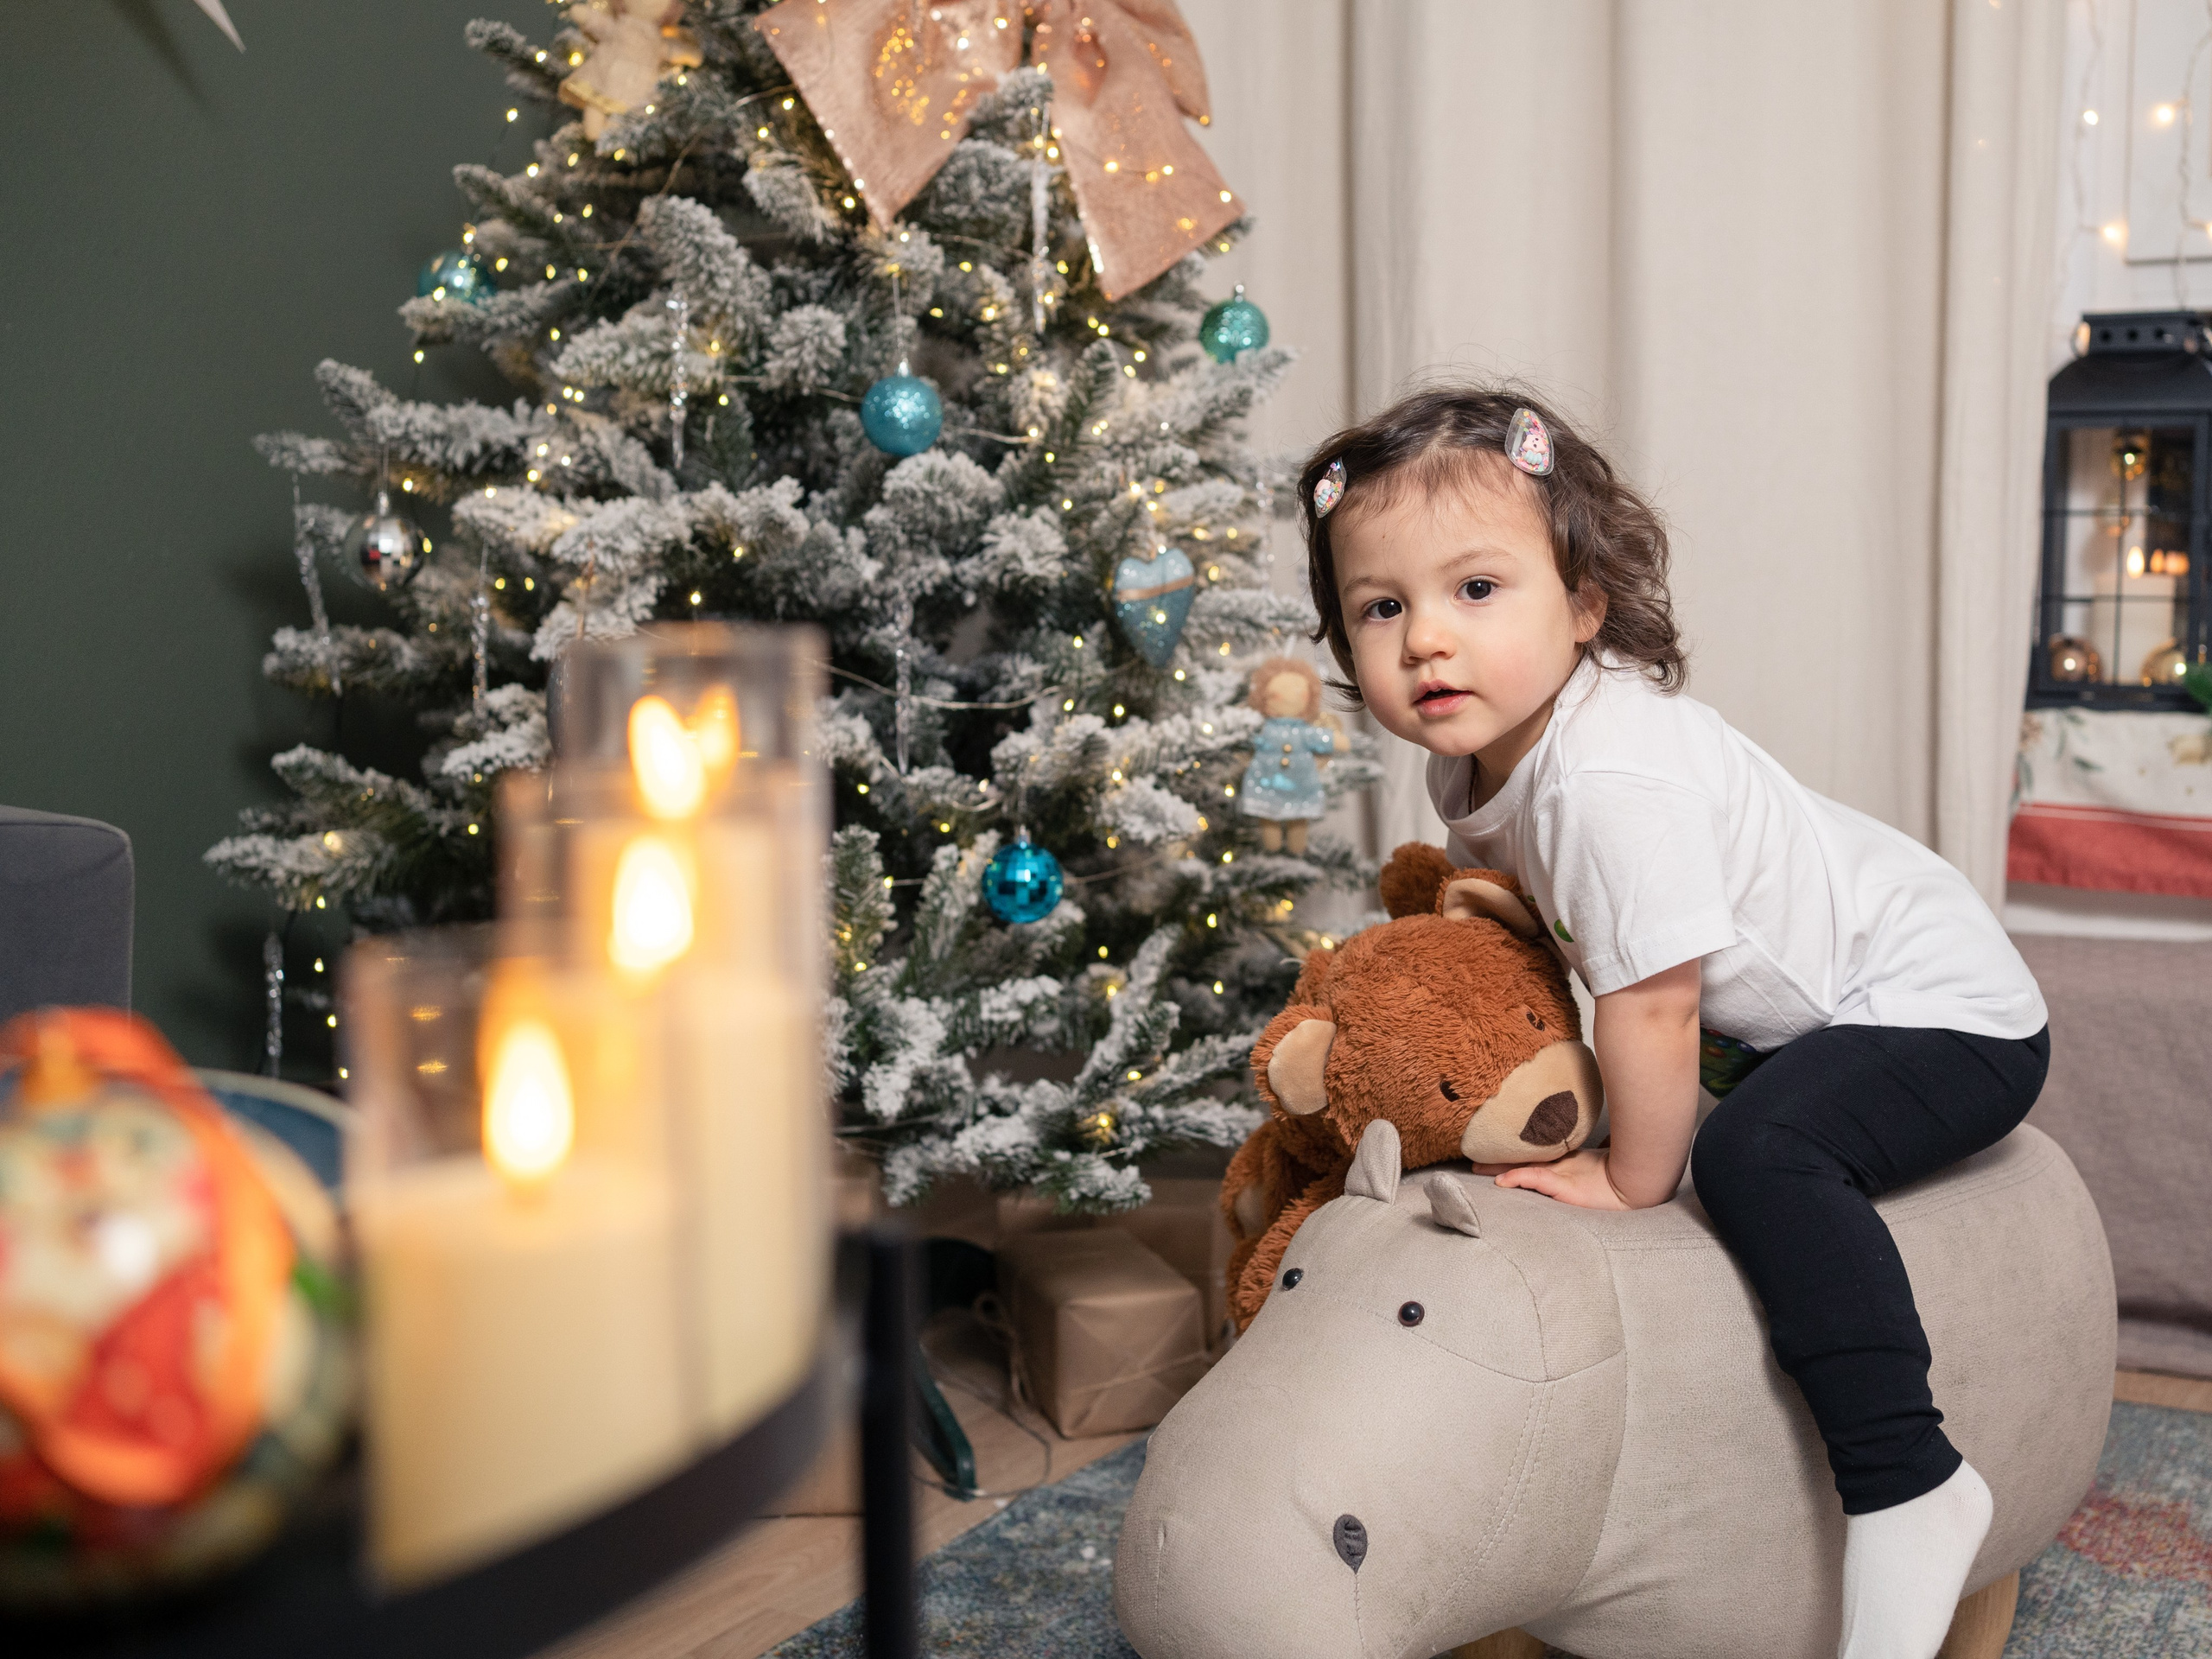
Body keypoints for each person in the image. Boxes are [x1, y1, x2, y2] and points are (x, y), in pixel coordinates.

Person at [1298, 386, 2050, 1659]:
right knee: (1719, 1099)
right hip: (1807, 1020)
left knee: (1751, 1153)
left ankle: (1910, 1481)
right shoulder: (1470, 756)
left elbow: (1653, 1002)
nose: (1426, 639)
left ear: (1584, 604)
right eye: (1383, 607)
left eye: (1477, 590)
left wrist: (1632, 1175)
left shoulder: (1608, 779)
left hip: (1945, 1011)